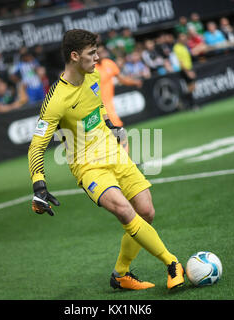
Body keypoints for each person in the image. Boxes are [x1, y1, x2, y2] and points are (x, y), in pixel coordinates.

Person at [27, 29, 185, 291]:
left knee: (146, 212)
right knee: (125, 211)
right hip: (88, 167)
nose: (97, 57)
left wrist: (112, 125)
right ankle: (172, 263)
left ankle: (121, 275)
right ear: (75, 56)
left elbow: (98, 107)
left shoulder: (94, 75)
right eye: (92, 53)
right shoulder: (55, 100)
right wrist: (39, 186)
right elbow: (36, 146)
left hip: (113, 153)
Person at [96, 44, 142, 153]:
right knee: (118, 132)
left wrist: (134, 82)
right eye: (99, 52)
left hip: (109, 106)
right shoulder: (91, 69)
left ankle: (124, 162)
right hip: (99, 107)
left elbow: (122, 79)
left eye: (103, 52)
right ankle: (125, 162)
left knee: (117, 133)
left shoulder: (109, 63)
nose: (102, 54)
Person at [173, 33, 198, 109]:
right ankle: (190, 104)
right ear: (179, 39)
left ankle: (184, 101)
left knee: (192, 87)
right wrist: (188, 72)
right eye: (182, 39)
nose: (184, 40)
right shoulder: (177, 48)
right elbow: (180, 62)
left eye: (185, 38)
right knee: (191, 87)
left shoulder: (184, 46)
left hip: (189, 68)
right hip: (184, 70)